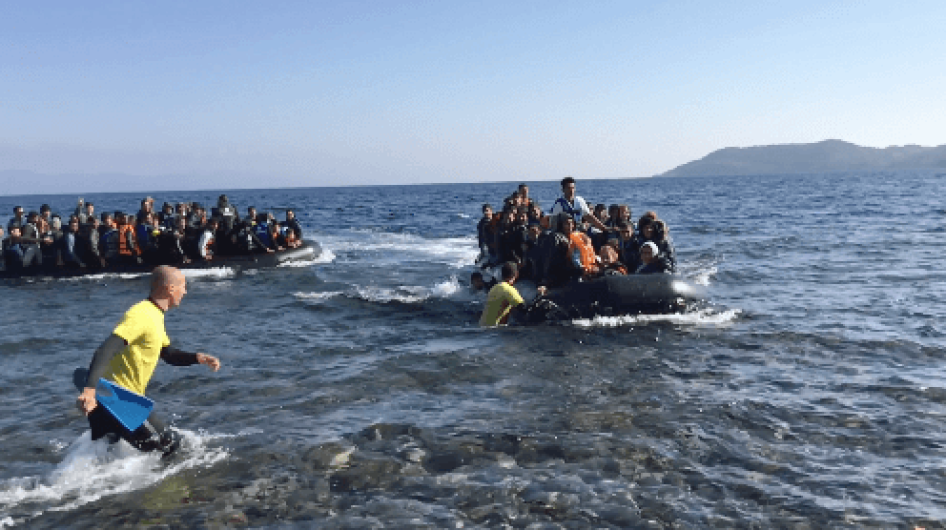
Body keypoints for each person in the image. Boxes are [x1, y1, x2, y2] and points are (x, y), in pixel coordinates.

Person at [75, 266, 221, 455]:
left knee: (110, 454)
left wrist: (197, 358)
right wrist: (90, 391)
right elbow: (106, 348)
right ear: (170, 289)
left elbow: (168, 354)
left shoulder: (155, 315)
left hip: (116, 402)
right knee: (170, 447)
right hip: (119, 401)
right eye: (183, 287)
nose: (185, 291)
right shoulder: (141, 315)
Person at [479, 262, 545, 326]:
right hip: (493, 330)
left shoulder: (495, 288)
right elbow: (525, 310)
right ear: (516, 274)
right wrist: (540, 295)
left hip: (482, 327)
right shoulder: (509, 290)